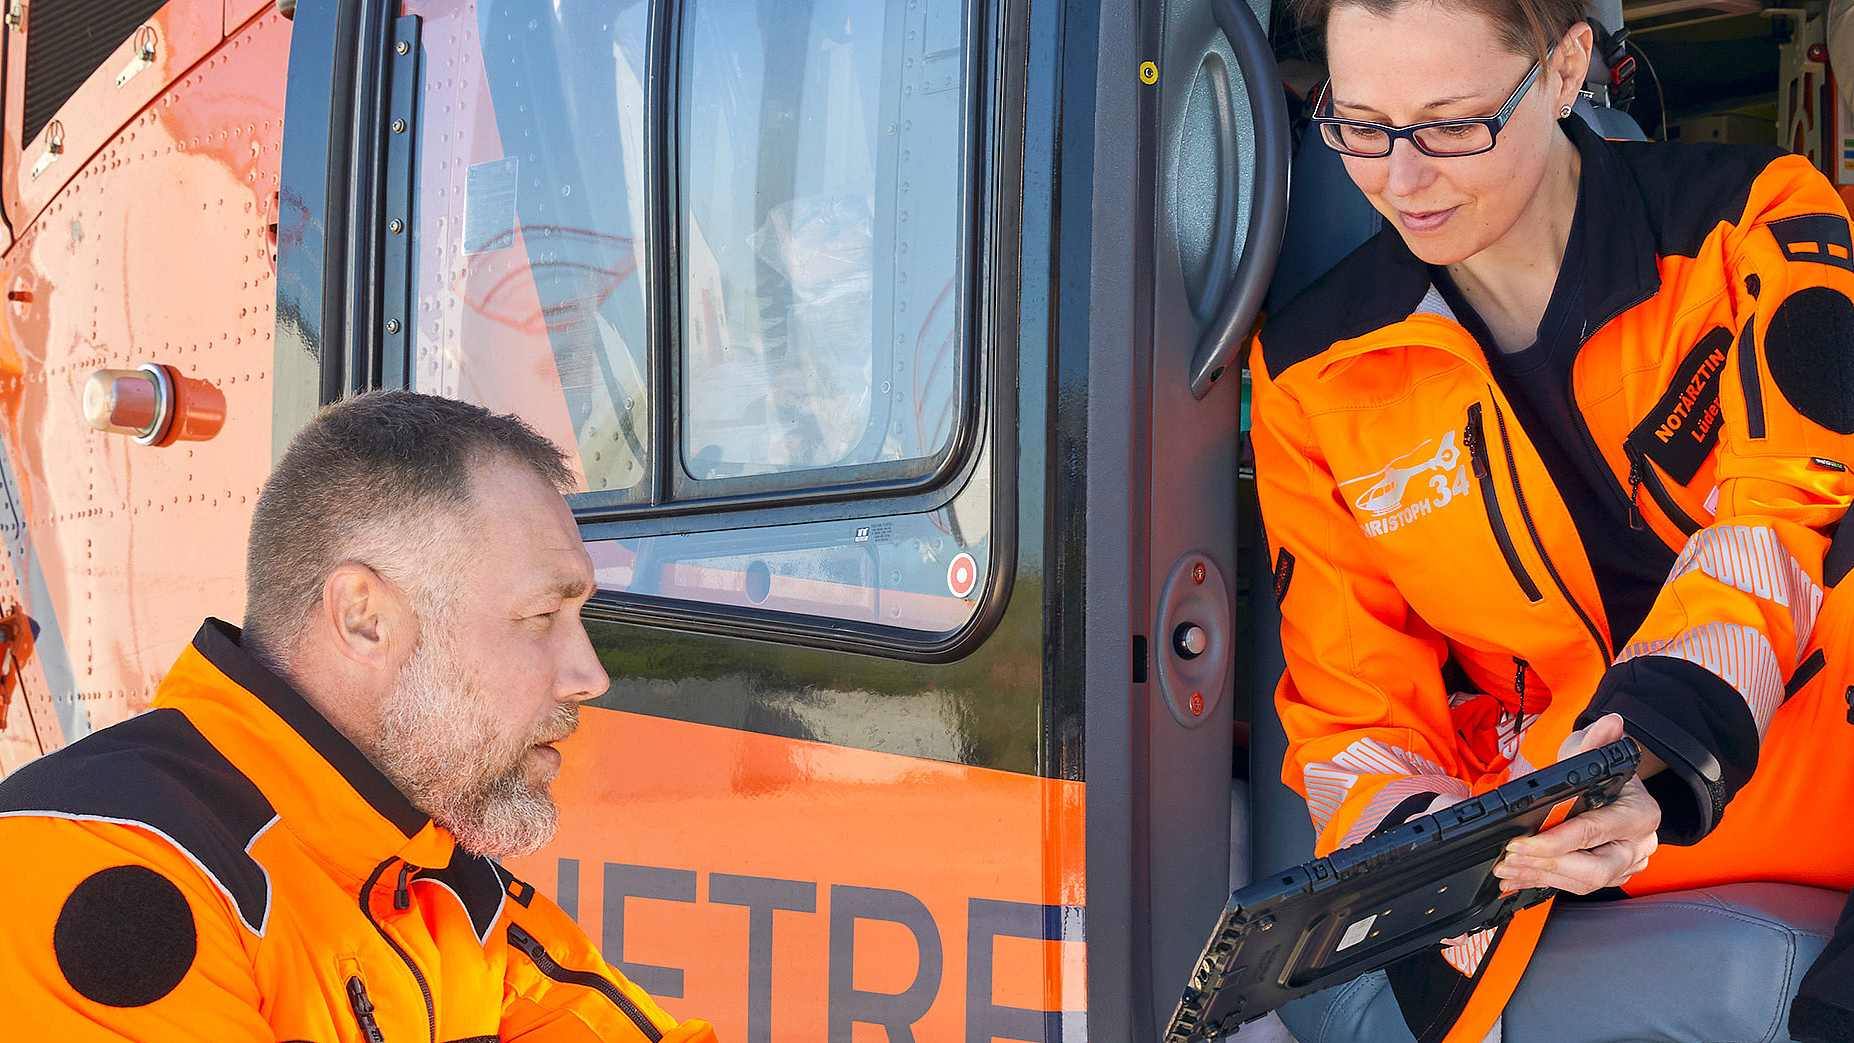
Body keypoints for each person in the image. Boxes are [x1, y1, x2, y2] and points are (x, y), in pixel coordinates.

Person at [1251, 1, 1854, 1040]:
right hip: (1555, 838)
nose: (1401, 179)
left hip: (1797, 767)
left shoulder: (1758, 223)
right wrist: (1436, 841)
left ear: (1567, 67)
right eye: (1357, 124)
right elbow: (1353, 713)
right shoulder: (1313, 372)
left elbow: (1792, 511)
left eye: (1449, 124)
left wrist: (1646, 758)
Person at [0, 390, 718, 1041]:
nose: (589, 674)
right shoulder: (104, 868)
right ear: (364, 619)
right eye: (541, 615)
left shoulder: (445, 883)